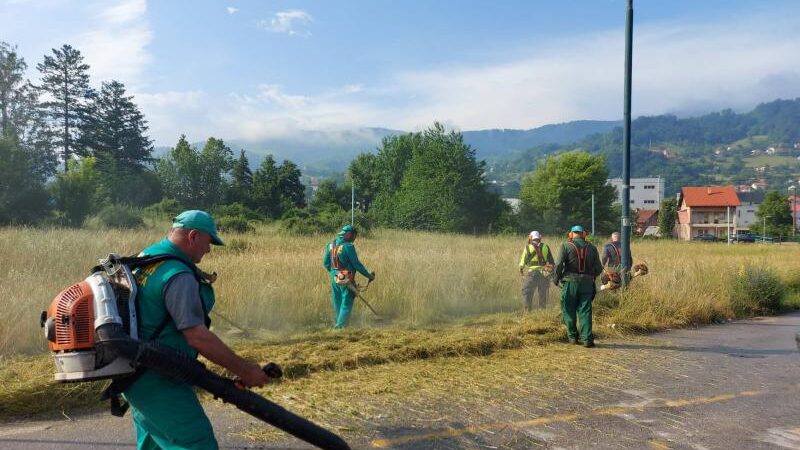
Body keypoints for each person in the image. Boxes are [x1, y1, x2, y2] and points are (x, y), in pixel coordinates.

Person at [123, 210, 270, 450]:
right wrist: (246, 370)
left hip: (134, 375)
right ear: (193, 236)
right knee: (197, 442)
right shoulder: (177, 274)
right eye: (208, 241)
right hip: (160, 380)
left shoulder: (147, 257)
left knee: (157, 445)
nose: (209, 249)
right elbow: (198, 337)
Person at [553, 225, 603, 348]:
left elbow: (559, 264)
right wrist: (590, 276)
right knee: (585, 311)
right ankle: (587, 339)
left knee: (568, 309)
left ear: (571, 234)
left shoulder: (565, 246)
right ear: (584, 234)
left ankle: (572, 337)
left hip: (570, 283)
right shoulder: (592, 248)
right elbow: (599, 268)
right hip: (587, 284)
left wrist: (556, 278)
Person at [323, 225, 374, 329]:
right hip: (345, 276)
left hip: (334, 276)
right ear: (349, 234)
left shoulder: (330, 245)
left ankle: (340, 323)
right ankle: (340, 328)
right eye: (354, 236)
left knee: (337, 300)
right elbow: (357, 265)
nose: (354, 239)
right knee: (347, 301)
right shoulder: (348, 246)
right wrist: (369, 276)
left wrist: (335, 273)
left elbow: (326, 263)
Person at [518, 230, 554, 311]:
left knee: (527, 291)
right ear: (539, 237)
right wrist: (550, 273)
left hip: (531, 274)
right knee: (542, 294)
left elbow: (522, 263)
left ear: (531, 237)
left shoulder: (528, 247)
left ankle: (527, 311)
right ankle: (542, 311)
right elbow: (552, 262)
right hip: (544, 274)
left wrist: (521, 272)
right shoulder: (546, 247)